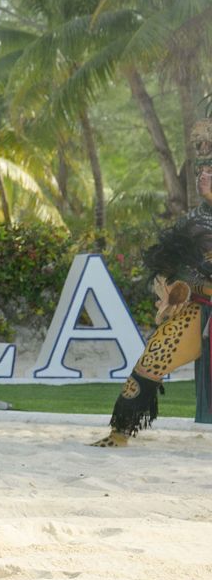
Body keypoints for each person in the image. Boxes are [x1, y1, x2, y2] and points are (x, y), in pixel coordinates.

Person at [95, 117, 212, 446]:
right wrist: (177, 288)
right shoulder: (192, 221)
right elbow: (166, 265)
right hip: (200, 307)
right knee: (151, 359)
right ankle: (119, 433)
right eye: (202, 171)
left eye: (211, 172)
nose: (203, 176)